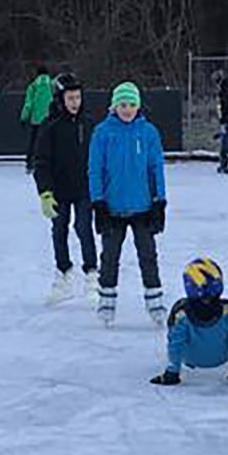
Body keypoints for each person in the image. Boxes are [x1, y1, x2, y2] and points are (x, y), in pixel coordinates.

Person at [88, 81, 167, 326]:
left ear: (138, 106)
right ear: (114, 106)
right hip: (112, 208)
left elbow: (156, 168)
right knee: (110, 257)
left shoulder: (148, 132)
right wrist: (98, 203)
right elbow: (94, 170)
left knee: (148, 256)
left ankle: (155, 301)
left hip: (143, 207)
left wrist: (160, 201)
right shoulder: (102, 132)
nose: (127, 109)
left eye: (132, 104)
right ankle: (107, 300)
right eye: (123, 104)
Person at [32, 72, 97, 301]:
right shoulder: (49, 126)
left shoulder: (88, 123)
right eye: (70, 98)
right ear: (60, 99)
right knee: (59, 230)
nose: (75, 103)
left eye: (78, 98)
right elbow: (41, 161)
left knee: (84, 227)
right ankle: (63, 274)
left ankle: (91, 275)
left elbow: (98, 157)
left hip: (83, 189)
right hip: (58, 190)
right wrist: (45, 192)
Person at [151, 257, 228, 385]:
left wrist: (172, 373)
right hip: (222, 357)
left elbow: (176, 344)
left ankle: (176, 366)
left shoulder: (182, 315)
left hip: (190, 358)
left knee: (176, 326)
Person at [20, 65, 55, 172]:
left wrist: (24, 117)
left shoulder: (33, 86)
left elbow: (28, 104)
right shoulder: (52, 85)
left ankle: (30, 163)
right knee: (52, 141)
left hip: (36, 119)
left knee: (34, 141)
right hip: (50, 118)